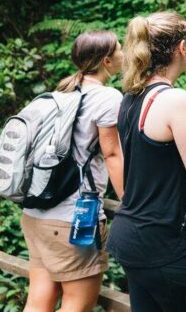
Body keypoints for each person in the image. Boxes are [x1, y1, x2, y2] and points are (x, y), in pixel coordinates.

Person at [106, 11, 186, 312]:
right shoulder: (176, 101)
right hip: (167, 245)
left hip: (132, 238)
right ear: (182, 48)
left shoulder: (130, 97)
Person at [22, 30, 125, 312]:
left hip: (35, 215)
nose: (123, 54)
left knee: (37, 302)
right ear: (106, 61)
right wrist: (130, 199)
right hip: (72, 220)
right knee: (77, 305)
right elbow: (112, 153)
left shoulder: (59, 93)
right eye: (119, 50)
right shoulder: (107, 97)